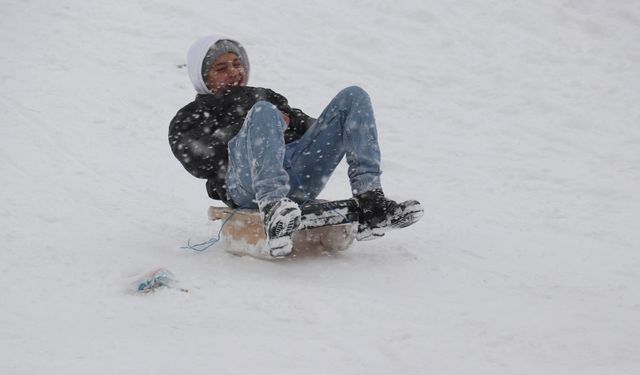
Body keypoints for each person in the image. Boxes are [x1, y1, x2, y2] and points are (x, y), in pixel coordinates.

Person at [169, 35, 423, 257]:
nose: (234, 72)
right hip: (247, 185)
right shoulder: (190, 116)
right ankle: (273, 207)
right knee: (264, 112)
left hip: (299, 175)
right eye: (221, 68)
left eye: (237, 64)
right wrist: (258, 123)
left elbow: (314, 129)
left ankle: (370, 199)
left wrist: (335, 130)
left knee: (354, 96)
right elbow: (202, 161)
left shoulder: (263, 95)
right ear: (203, 77)